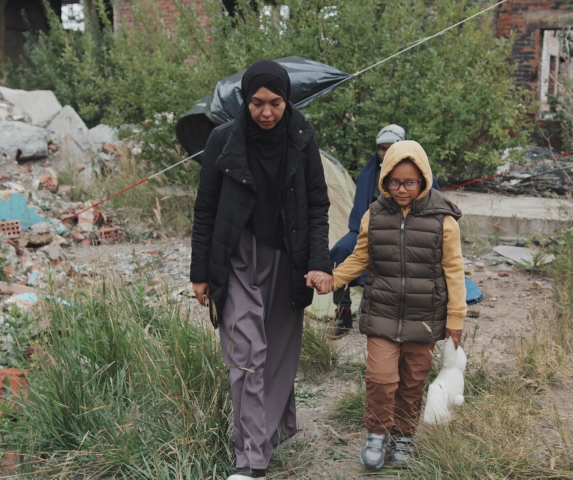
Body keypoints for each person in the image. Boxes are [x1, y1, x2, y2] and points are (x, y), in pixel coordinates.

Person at [190, 60, 332, 480]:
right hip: (235, 258)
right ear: (245, 101)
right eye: (256, 103)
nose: (266, 112)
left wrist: (319, 263)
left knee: (278, 353)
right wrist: (200, 272)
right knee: (246, 353)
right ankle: (251, 459)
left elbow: (318, 205)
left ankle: (279, 425)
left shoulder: (302, 138)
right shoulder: (222, 141)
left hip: (288, 257)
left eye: (275, 103)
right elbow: (205, 210)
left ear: (287, 100)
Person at [318, 140, 466, 469]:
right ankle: (376, 434)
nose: (402, 189)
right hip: (382, 311)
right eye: (394, 181)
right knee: (382, 379)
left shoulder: (444, 219)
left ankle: (403, 437)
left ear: (423, 179)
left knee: (412, 384)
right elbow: (360, 258)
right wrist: (334, 279)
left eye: (410, 181)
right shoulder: (375, 214)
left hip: (424, 317)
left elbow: (455, 271)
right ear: (384, 179)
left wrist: (456, 317)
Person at [328, 125, 439, 337]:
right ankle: (343, 313)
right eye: (382, 148)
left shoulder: (419, 171)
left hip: (408, 231)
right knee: (340, 251)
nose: (385, 153)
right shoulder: (370, 172)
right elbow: (360, 212)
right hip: (369, 228)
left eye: (391, 147)